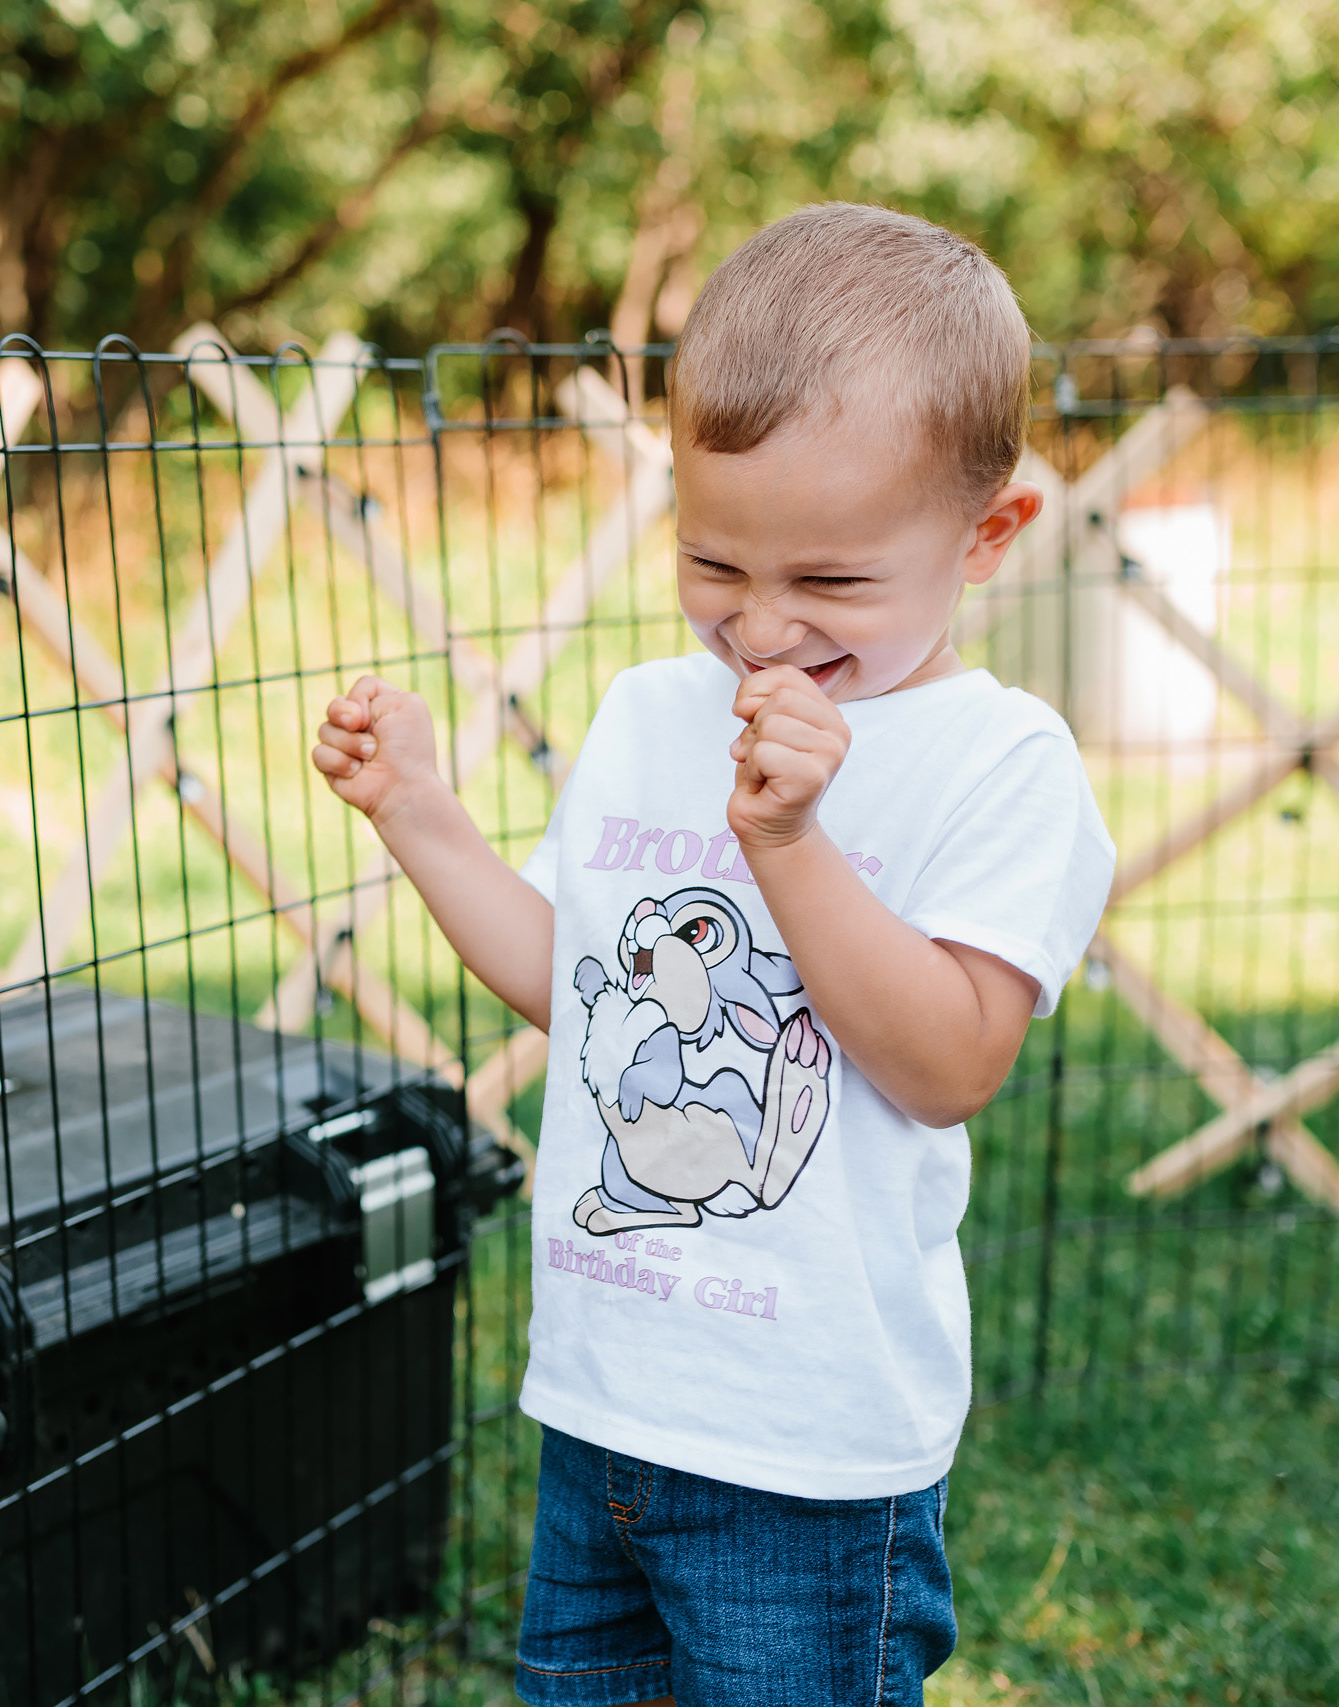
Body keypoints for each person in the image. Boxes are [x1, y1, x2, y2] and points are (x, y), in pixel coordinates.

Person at [310, 203, 1115, 1707]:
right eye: (714, 564)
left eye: (832, 585)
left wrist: (795, 848)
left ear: (987, 534)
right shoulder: (646, 713)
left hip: (807, 1459)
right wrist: (422, 818)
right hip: (606, 1409)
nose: (761, 630)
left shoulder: (1001, 763)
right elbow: (580, 983)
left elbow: (949, 1065)